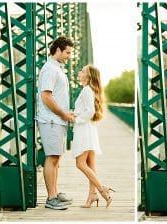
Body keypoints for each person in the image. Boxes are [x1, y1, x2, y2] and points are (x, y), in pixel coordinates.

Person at [36, 36, 75, 210]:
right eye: (67, 52)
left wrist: (66, 114)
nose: (69, 56)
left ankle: (55, 192)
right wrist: (63, 114)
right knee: (51, 157)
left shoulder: (56, 68)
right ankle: (51, 198)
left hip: (56, 120)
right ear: (58, 50)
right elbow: (46, 96)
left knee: (56, 157)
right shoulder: (50, 69)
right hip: (51, 120)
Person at [71, 65, 114, 208]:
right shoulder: (89, 90)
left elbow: (89, 111)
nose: (79, 72)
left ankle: (102, 190)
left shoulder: (86, 90)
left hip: (84, 129)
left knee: (80, 164)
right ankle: (92, 195)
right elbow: (86, 110)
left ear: (88, 77)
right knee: (91, 165)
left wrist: (75, 119)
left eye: (82, 71)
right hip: (89, 128)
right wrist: (75, 113)